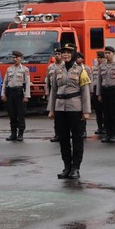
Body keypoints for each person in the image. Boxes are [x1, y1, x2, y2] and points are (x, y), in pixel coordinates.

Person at [47, 43, 91, 180]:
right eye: (63, 52)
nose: (65, 54)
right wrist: (51, 109)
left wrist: (86, 111)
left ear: (74, 54)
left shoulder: (80, 70)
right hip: (60, 107)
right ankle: (67, 166)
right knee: (63, 139)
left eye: (68, 52)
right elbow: (53, 90)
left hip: (75, 108)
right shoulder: (57, 70)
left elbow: (85, 92)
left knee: (77, 138)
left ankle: (75, 168)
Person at [97, 46, 115, 144]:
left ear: (113, 54)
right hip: (105, 91)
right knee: (106, 114)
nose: (107, 55)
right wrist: (99, 94)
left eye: (109, 53)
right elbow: (99, 81)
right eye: (106, 53)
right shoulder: (101, 66)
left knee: (113, 114)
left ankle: (113, 135)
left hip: (114, 91)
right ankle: (107, 134)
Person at [2, 50, 31, 141]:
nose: (14, 59)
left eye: (16, 57)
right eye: (13, 57)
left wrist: (26, 96)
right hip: (10, 93)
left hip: (19, 93)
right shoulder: (9, 69)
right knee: (12, 114)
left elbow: (27, 83)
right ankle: (13, 133)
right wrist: (3, 94)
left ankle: (20, 134)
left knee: (20, 114)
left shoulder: (25, 69)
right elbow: (5, 82)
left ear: (20, 58)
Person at [46, 47, 64, 142]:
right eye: (55, 54)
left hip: (63, 93)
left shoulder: (65, 66)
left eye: (59, 54)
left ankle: (65, 134)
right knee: (56, 117)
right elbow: (47, 81)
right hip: (54, 94)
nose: (57, 56)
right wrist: (47, 94)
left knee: (64, 116)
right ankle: (57, 134)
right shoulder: (50, 67)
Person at [75, 52, 92, 138]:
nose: (77, 59)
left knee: (83, 113)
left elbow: (89, 81)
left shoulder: (86, 68)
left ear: (82, 59)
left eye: (79, 57)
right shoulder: (73, 68)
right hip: (75, 94)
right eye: (76, 57)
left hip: (84, 93)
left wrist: (90, 92)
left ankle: (83, 131)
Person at [91, 50, 106, 135]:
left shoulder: (106, 67)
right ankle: (100, 127)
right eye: (98, 58)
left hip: (104, 89)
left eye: (101, 58)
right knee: (98, 111)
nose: (99, 59)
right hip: (95, 89)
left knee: (105, 110)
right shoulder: (94, 68)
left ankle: (105, 127)